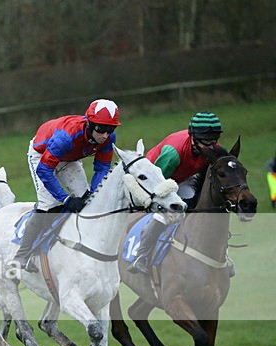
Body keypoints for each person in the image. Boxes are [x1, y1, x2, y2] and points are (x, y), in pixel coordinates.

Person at [13, 99, 120, 273]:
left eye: (111, 129)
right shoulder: (67, 136)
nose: (105, 135)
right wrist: (65, 199)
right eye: (101, 129)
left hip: (69, 159)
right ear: (90, 124)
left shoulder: (107, 138)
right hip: (42, 158)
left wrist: (94, 194)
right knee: (49, 206)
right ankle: (21, 256)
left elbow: (101, 168)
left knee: (87, 202)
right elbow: (44, 171)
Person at [127, 111, 223, 275]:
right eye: (206, 142)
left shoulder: (212, 148)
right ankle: (141, 257)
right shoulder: (173, 153)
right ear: (194, 137)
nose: (210, 147)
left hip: (182, 177)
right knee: (165, 214)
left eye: (213, 141)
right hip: (157, 179)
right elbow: (158, 184)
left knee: (199, 206)